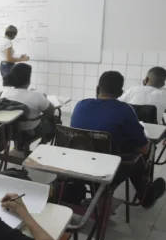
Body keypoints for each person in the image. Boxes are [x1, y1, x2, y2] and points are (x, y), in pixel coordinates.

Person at [71, 71, 165, 208]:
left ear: (97, 89)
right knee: (138, 157)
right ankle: (146, 197)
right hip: (108, 169)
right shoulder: (124, 110)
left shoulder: (80, 105)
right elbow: (144, 149)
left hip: (77, 164)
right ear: (121, 93)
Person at [1, 63, 56, 146]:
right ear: (28, 79)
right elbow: (50, 111)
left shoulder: (5, 93)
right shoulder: (36, 95)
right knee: (55, 119)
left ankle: (20, 145)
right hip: (30, 131)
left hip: (10, 131)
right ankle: (43, 144)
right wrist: (43, 99)